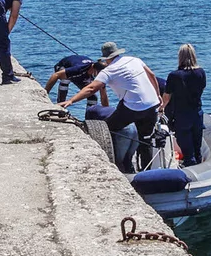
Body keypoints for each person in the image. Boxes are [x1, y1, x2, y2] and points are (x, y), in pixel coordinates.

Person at [60, 42, 161, 170]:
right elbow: (151, 75)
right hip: (152, 104)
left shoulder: (108, 71)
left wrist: (71, 101)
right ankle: (146, 171)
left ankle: (118, 164)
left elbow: (91, 89)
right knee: (145, 139)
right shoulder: (134, 60)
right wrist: (158, 96)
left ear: (106, 59)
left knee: (106, 129)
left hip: (132, 107)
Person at [160, 44, 207, 166]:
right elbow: (202, 89)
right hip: (197, 113)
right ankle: (200, 169)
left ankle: (190, 174)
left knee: (187, 151)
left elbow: (166, 97)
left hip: (182, 116)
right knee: (197, 148)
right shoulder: (201, 72)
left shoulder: (174, 76)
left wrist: (161, 108)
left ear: (180, 57)